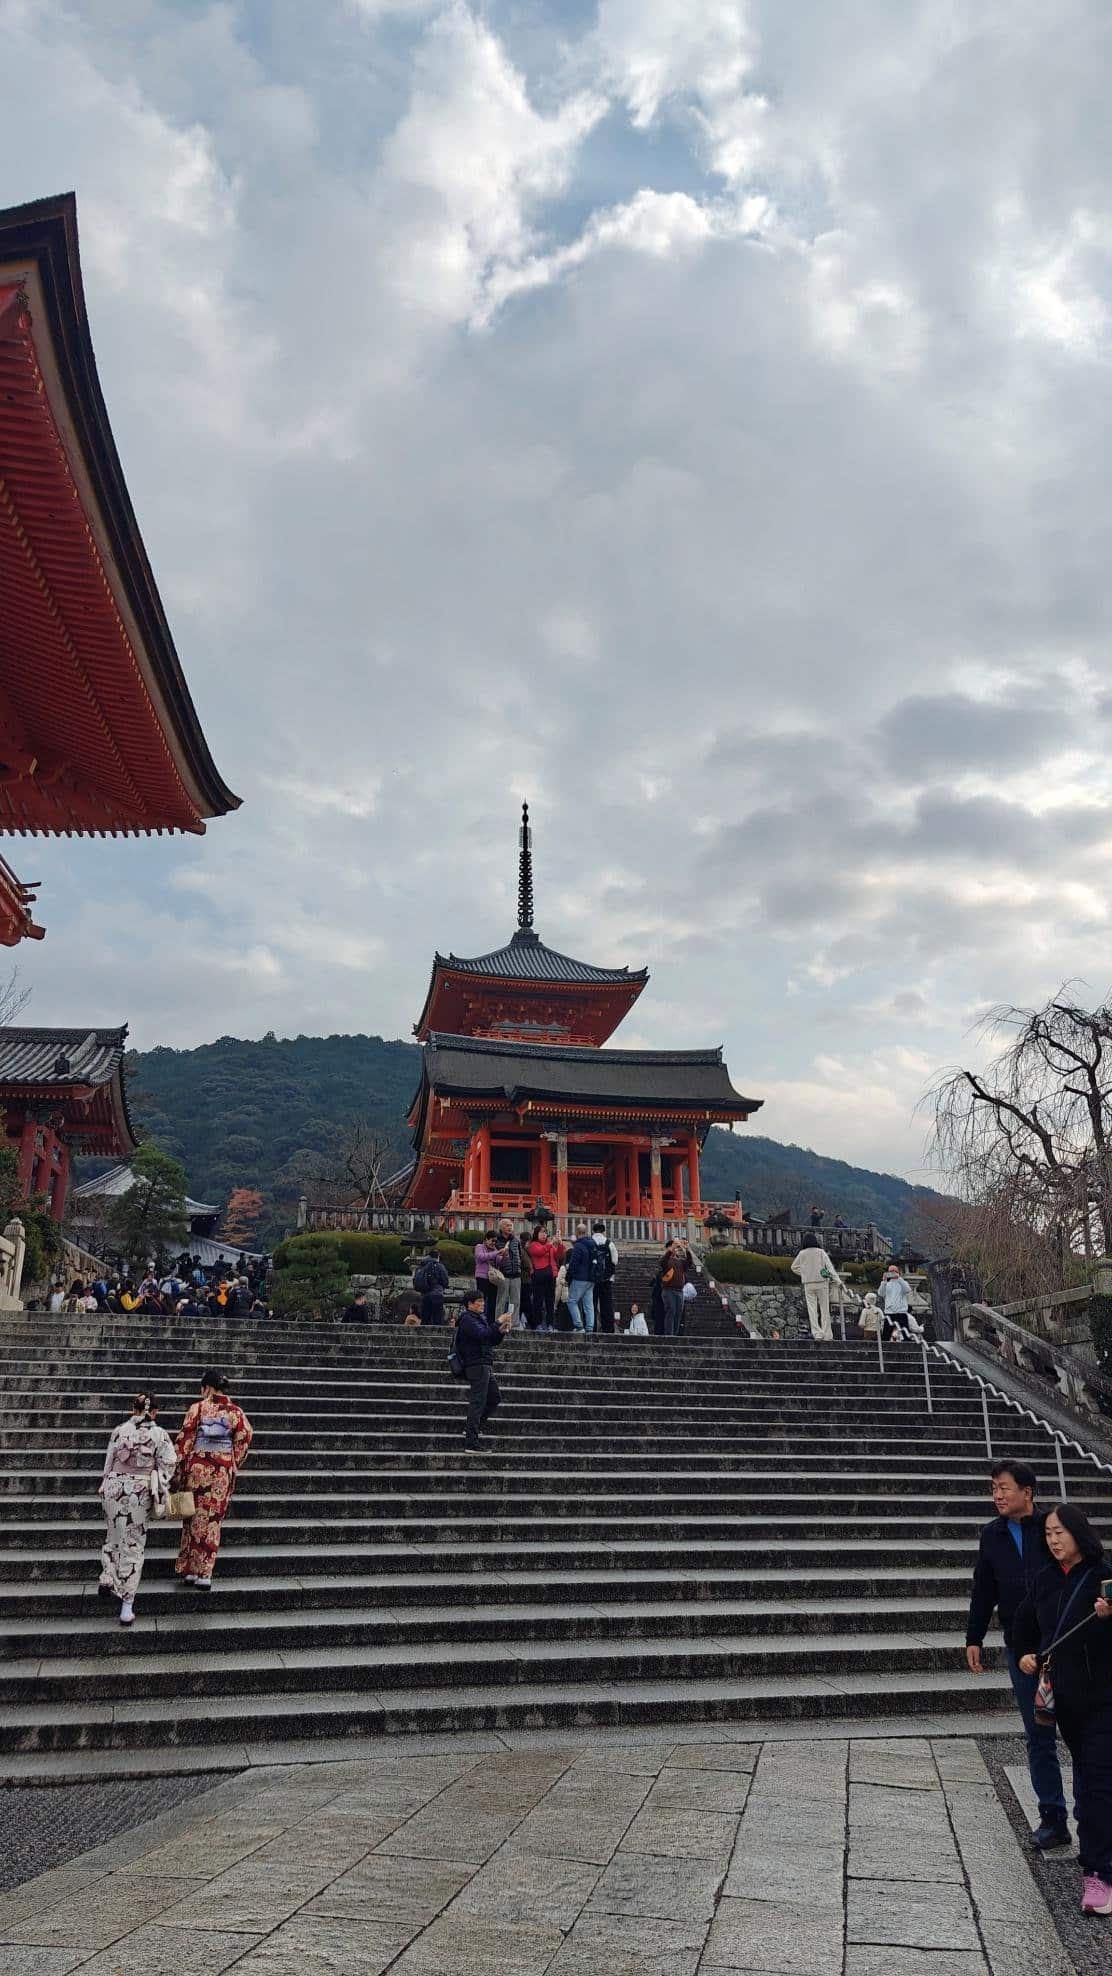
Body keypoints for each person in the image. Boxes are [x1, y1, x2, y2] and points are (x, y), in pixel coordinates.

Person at [1013, 1503, 1112, 1913]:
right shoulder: (1043, 1579)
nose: (1053, 1540)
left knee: (1096, 1786)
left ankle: (1099, 1874)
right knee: (1090, 1779)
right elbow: (1022, 1626)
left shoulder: (1105, 1576)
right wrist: (1025, 1654)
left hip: (1107, 1698)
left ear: (1079, 1533)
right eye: (1048, 1533)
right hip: (1067, 1701)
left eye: (1060, 1532)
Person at [965, 1459, 1069, 1850]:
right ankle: (1053, 1817)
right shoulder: (992, 1535)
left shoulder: (1052, 1529)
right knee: (1038, 1731)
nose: (997, 1494)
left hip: (1063, 1643)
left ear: (1028, 1491)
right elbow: (983, 1587)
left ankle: (1093, 1815)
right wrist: (973, 1636)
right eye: (993, 1488)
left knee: (1079, 1730)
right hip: (1020, 1647)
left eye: (1004, 1487)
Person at [97, 1392, 177, 1626]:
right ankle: (126, 1605)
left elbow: (109, 1460)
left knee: (113, 1535)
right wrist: (159, 1481)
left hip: (114, 1487)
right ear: (155, 1412)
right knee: (133, 1543)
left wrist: (106, 1483)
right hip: (139, 1491)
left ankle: (108, 1578)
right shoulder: (159, 1434)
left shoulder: (120, 1430)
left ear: (133, 1408)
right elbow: (169, 1463)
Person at [173, 1371, 253, 1589]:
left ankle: (189, 1569)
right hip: (221, 1473)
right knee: (212, 1520)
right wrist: (232, 1460)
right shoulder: (236, 1412)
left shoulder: (197, 1408)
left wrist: (178, 1468)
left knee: (191, 1517)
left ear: (206, 1388)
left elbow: (185, 1440)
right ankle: (205, 1572)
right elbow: (245, 1436)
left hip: (197, 1470)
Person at [455, 1288, 512, 1451]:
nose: (482, 1304)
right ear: (469, 1304)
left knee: (494, 1397)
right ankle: (471, 1442)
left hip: (485, 1363)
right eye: (478, 1301)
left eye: (482, 1300)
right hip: (476, 1365)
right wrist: (498, 1322)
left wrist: (501, 1332)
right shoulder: (467, 1319)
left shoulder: (479, 1318)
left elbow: (490, 1339)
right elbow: (481, 1335)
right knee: (477, 1402)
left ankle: (473, 1428)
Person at [790, 1233, 844, 1341]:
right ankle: (827, 1334)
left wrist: (804, 1273)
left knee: (812, 1310)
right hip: (822, 1283)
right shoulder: (821, 1252)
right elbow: (829, 1268)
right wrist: (838, 1281)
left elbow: (794, 1267)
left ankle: (817, 1333)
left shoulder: (802, 1253)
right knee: (825, 1309)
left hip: (809, 1284)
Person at [564, 1223, 597, 1335]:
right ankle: (590, 1327)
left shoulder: (578, 1246)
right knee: (589, 1304)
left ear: (577, 1233)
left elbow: (573, 1264)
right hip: (591, 1278)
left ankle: (578, 1325)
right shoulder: (593, 1244)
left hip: (580, 1277)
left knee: (572, 1301)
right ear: (586, 1232)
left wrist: (568, 1278)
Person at [525, 1225, 558, 1332]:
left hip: (551, 1275)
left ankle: (550, 1324)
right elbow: (539, 1252)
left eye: (545, 1232)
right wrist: (550, 1244)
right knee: (537, 1301)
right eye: (541, 1232)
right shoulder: (533, 1245)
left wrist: (560, 1244)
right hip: (539, 1276)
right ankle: (538, 1324)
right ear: (536, 1234)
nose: (544, 1234)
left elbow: (559, 1255)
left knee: (550, 1301)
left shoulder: (549, 1245)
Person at [494, 1217, 523, 1328]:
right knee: (502, 1299)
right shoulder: (497, 1241)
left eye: (511, 1225)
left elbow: (519, 1255)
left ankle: (514, 1322)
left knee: (515, 1300)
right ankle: (498, 1322)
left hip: (516, 1274)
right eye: (507, 1225)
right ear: (501, 1227)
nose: (510, 1228)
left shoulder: (516, 1241)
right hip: (503, 1274)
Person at [591, 1222, 619, 1336]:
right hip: (606, 1279)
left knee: (591, 1305)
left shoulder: (590, 1242)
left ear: (593, 1231)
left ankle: (591, 1327)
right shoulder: (609, 1243)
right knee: (606, 1305)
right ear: (603, 1231)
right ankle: (608, 1329)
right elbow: (615, 1261)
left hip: (592, 1279)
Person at [474, 1230, 504, 1323]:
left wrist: (504, 1256)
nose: (493, 1243)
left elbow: (499, 1263)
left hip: (493, 1279)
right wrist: (496, 1253)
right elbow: (481, 1257)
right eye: (492, 1240)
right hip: (482, 1277)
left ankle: (491, 1321)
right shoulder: (479, 1247)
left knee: (492, 1301)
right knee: (481, 1299)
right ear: (486, 1239)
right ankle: (479, 1319)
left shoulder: (494, 1249)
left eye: (495, 1241)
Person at [413, 1250, 449, 1326]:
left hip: (424, 1295)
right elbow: (445, 1281)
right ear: (437, 1257)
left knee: (425, 1319)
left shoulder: (422, 1266)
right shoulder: (439, 1266)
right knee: (437, 1319)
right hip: (437, 1295)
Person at [660, 1241, 688, 1337]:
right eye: (672, 1247)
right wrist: (670, 1249)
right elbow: (663, 1263)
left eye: (675, 1248)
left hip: (679, 1291)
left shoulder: (680, 1261)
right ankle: (669, 1335)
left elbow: (689, 1263)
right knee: (671, 1310)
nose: (675, 1249)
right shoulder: (666, 1259)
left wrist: (686, 1249)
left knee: (678, 1313)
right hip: (668, 1290)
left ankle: (675, 1335)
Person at [878, 1263, 913, 1334]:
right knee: (886, 1334)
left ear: (898, 1272)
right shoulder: (887, 1284)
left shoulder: (902, 1282)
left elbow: (908, 1290)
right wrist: (884, 1281)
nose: (892, 1273)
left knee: (905, 1333)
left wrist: (899, 1278)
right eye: (890, 1271)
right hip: (889, 1312)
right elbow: (880, 1293)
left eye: (894, 1271)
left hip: (901, 1312)